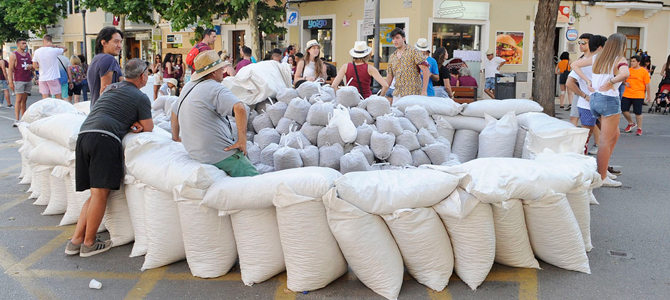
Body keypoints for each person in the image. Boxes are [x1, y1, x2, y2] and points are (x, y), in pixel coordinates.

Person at [65, 59, 153, 257]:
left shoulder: (112, 88)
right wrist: (137, 125)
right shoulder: (140, 97)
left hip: (84, 135)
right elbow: (148, 127)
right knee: (100, 195)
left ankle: (76, 240)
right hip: (104, 140)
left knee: (95, 193)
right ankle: (88, 243)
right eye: (147, 73)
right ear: (142, 76)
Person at [170, 50, 258, 177]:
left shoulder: (188, 86)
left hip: (195, 152)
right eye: (220, 68)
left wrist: (176, 138)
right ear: (213, 72)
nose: (222, 70)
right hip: (218, 153)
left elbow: (174, 112)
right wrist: (242, 141)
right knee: (256, 181)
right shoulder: (215, 88)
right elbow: (240, 108)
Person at [572, 33, 630, 187]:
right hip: (609, 100)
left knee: (614, 134)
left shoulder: (598, 58)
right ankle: (602, 176)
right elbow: (625, 74)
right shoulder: (619, 60)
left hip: (595, 99)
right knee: (605, 141)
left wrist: (588, 81)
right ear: (622, 45)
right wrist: (611, 81)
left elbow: (574, 65)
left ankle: (603, 170)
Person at [567, 34, 606, 157]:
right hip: (592, 104)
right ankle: (581, 162)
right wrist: (585, 95)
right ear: (600, 47)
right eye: (580, 43)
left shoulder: (589, 61)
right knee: (588, 136)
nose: (581, 45)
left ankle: (602, 166)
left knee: (599, 135)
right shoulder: (584, 62)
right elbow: (569, 82)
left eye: (584, 43)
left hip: (594, 103)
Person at [385, 28, 430, 102]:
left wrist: (424, 91)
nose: (395, 41)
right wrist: (383, 94)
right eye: (393, 39)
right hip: (397, 93)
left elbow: (426, 70)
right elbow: (389, 77)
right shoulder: (392, 56)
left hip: (412, 93)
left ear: (403, 38)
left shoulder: (414, 52)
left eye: (397, 38)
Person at [87, 27, 123, 105]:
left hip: (97, 111)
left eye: (121, 42)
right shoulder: (108, 59)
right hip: (106, 112)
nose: (120, 46)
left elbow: (123, 82)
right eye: (116, 42)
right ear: (104, 43)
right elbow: (105, 92)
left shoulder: (97, 59)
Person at [621, 55, 651, 136]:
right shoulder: (628, 70)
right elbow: (622, 79)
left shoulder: (644, 71)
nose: (632, 63)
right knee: (624, 110)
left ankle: (639, 128)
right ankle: (631, 123)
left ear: (639, 62)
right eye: (631, 61)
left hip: (638, 94)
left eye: (634, 61)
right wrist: (624, 83)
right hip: (627, 94)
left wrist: (648, 96)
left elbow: (647, 84)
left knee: (638, 112)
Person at [33, 34, 67, 99]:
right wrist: (55, 46)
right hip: (53, 77)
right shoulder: (54, 50)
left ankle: (46, 108)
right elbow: (65, 49)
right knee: (58, 96)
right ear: (51, 41)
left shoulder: (37, 51)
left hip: (42, 78)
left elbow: (34, 65)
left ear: (43, 41)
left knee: (45, 97)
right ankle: (57, 108)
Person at [8, 38, 33, 126]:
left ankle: (24, 118)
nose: (25, 45)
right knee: (18, 99)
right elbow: (10, 69)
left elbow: (32, 65)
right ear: (18, 44)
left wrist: (31, 66)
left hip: (27, 79)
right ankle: (17, 119)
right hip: (19, 79)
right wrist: (10, 81)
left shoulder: (28, 54)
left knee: (24, 99)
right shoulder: (14, 55)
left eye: (25, 43)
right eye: (23, 43)